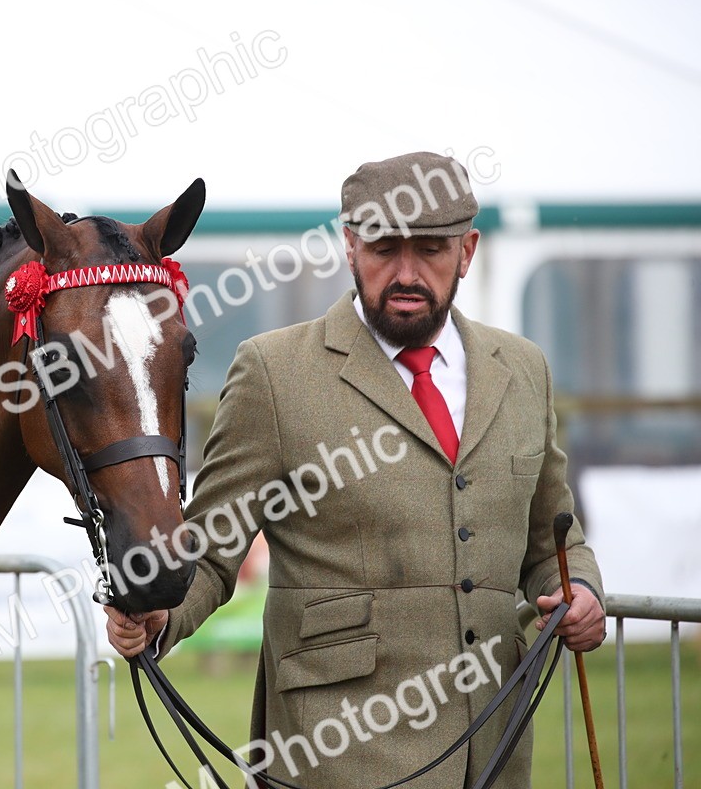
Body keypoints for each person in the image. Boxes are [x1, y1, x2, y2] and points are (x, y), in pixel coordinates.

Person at [105, 152, 605, 789]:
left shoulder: (524, 368)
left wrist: (582, 589)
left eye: (429, 250)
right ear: (348, 245)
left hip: (496, 746)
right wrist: (158, 613)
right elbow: (207, 551)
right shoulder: (273, 373)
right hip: (336, 750)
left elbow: (552, 541)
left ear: (468, 249)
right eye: (383, 247)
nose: (405, 272)